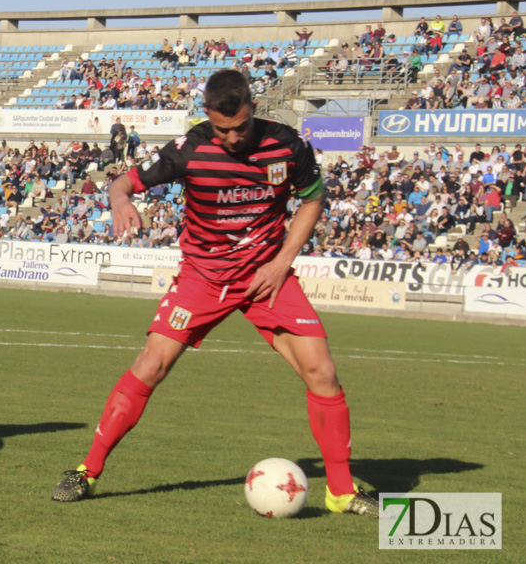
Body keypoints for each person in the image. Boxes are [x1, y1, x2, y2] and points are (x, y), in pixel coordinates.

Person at [51, 70, 379, 518]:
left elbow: (312, 198)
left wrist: (282, 261)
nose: (232, 138)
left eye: (241, 127)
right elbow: (122, 183)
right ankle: (87, 470)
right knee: (150, 365)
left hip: (267, 278)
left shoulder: (286, 144)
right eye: (222, 129)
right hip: (203, 279)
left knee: (322, 371)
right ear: (207, 115)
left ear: (252, 110)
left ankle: (340, 491)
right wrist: (120, 201)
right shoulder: (188, 149)